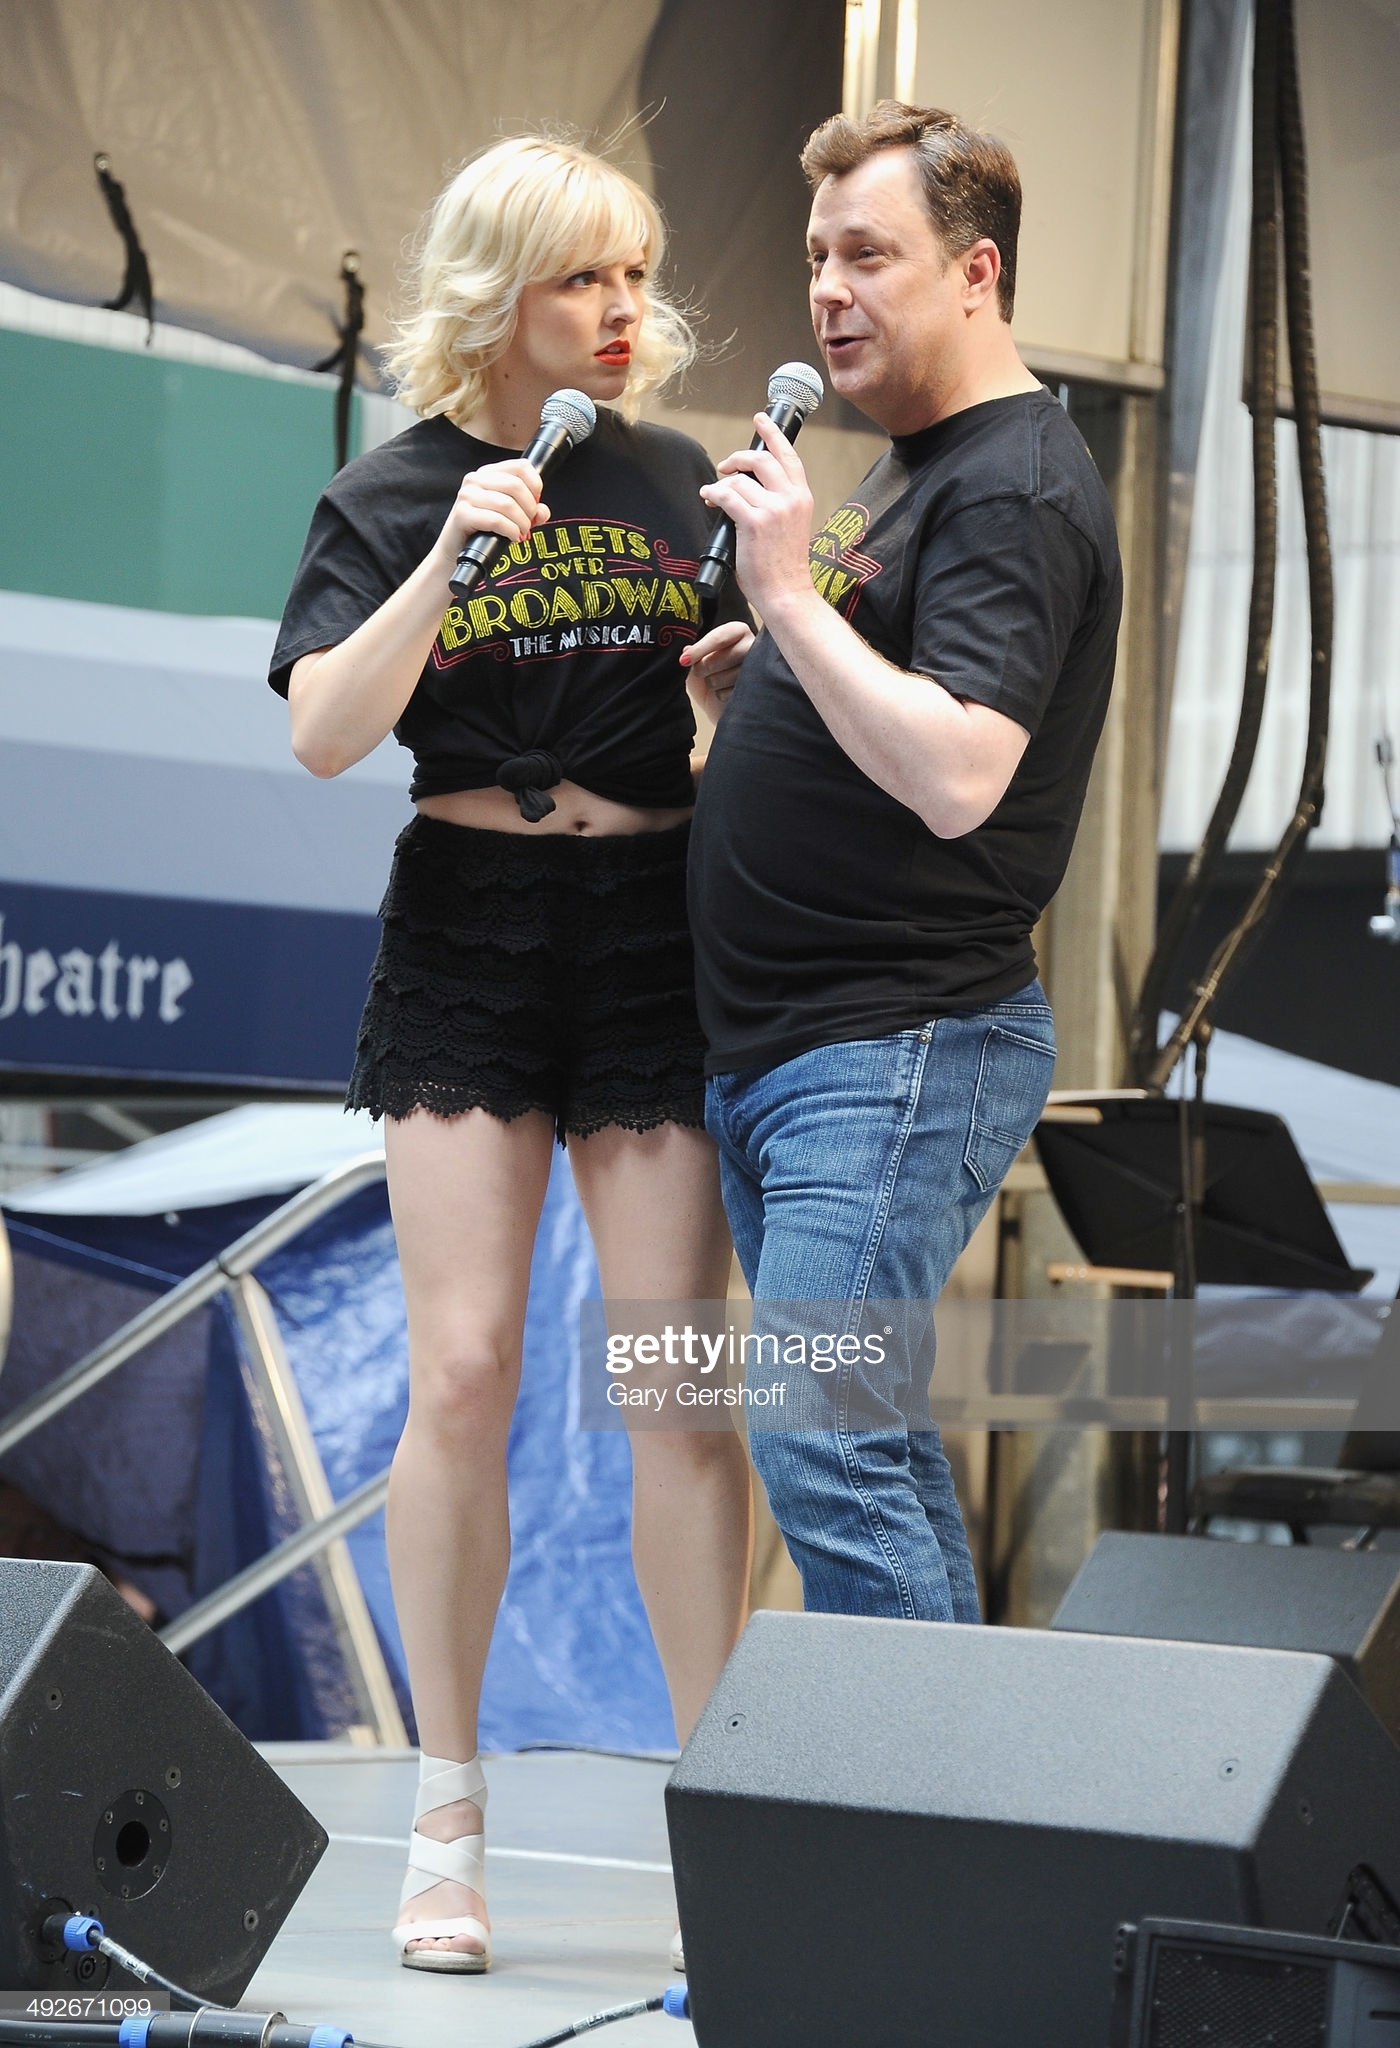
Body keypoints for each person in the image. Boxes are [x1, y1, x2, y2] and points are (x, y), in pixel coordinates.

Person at [269, 136, 754, 1975]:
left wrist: (721, 719)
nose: (624, 311)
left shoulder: (683, 479)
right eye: (582, 280)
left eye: (635, 273)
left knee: (674, 1382)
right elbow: (326, 734)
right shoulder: (390, 490)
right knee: (462, 1371)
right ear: (498, 295)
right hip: (468, 915)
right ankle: (443, 1821)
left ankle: (728, 1822)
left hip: (651, 922)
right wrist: (447, 556)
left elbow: (767, 710)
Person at [683, 102, 1122, 1623]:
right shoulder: (922, 465)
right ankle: (954, 1772)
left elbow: (958, 775)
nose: (828, 290)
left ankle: (913, 1783)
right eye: (817, 258)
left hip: (896, 1037)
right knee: (859, 1439)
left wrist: (793, 602)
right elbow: (895, 708)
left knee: (821, 1436)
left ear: (976, 272)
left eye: (868, 255)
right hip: (801, 1044)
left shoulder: (1011, 480)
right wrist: (764, 702)